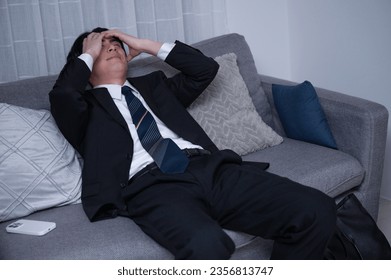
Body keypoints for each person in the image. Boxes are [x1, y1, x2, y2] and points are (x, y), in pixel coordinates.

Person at [49, 27, 337, 259]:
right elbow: (62, 94)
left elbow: (204, 69)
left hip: (211, 168)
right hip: (152, 187)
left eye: (115, 43)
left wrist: (147, 44)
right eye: (102, 46)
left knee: (315, 208)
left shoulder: (155, 86)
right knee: (207, 245)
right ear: (85, 64)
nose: (111, 46)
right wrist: (88, 53)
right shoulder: (82, 109)